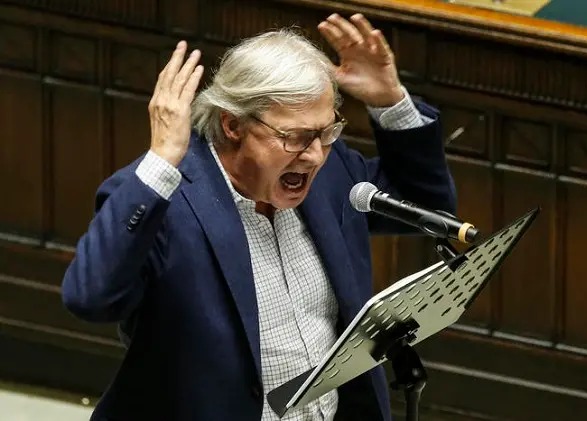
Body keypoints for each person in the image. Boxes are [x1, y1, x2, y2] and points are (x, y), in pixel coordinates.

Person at [61, 12, 456, 421]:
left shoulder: (330, 168)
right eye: (296, 137)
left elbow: (427, 205)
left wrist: (390, 101)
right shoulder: (167, 194)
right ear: (233, 125)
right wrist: (161, 161)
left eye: (326, 132)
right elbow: (89, 298)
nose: (316, 154)